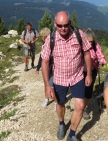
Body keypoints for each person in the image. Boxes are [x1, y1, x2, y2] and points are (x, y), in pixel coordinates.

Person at [41, 11, 92, 141]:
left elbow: (87, 53)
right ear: (55, 24)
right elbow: (45, 61)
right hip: (59, 78)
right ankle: (61, 123)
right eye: (59, 25)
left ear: (70, 23)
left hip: (77, 76)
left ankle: (72, 134)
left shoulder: (78, 34)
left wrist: (89, 74)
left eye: (66, 25)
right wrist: (47, 85)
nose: (63, 28)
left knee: (80, 106)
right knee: (60, 103)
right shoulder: (50, 39)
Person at [82, 28, 106, 120]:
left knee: (88, 90)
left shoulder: (95, 46)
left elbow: (101, 56)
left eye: (92, 41)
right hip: (80, 72)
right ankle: (80, 107)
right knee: (81, 90)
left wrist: (102, 62)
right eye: (88, 41)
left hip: (92, 71)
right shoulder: (79, 46)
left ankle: (84, 109)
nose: (90, 43)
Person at [36, 27, 57, 109]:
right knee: (46, 84)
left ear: (45, 37)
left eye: (42, 36)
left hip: (54, 69)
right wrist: (38, 68)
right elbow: (41, 58)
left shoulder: (55, 44)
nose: (41, 38)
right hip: (46, 69)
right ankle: (46, 98)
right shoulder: (43, 46)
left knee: (52, 85)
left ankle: (56, 102)